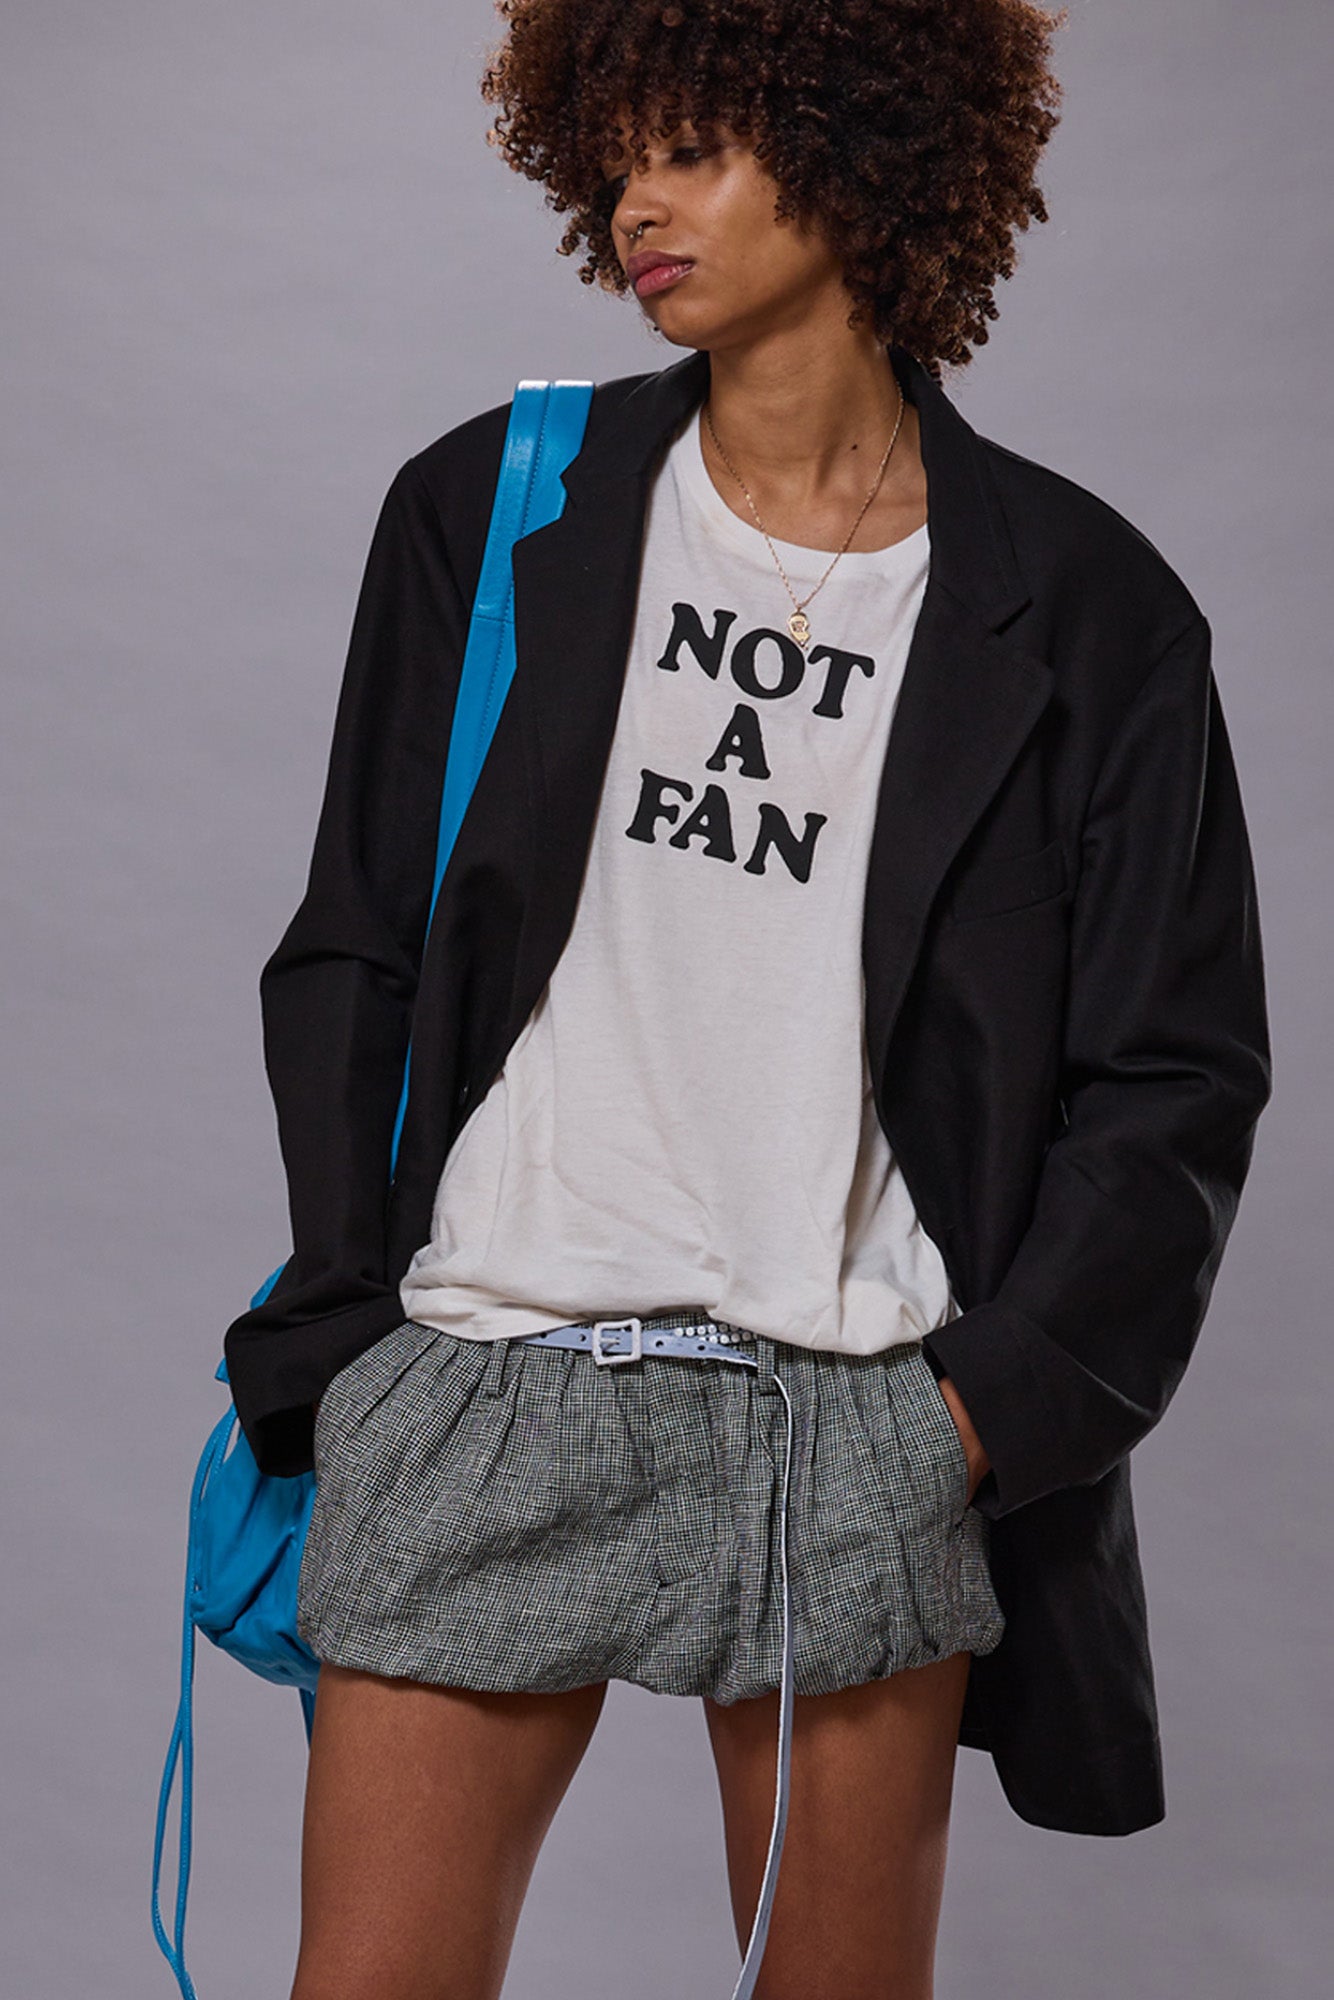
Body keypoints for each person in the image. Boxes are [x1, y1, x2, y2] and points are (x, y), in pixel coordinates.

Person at [220, 4, 1272, 1996]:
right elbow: (355, 940)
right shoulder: (494, 508)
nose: (639, 202)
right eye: (617, 152)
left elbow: (1173, 1074)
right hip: (491, 1363)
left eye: (696, 147)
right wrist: (351, 1336)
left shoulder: (1085, 607)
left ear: (862, 153)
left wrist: (977, 1419)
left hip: (848, 1406)